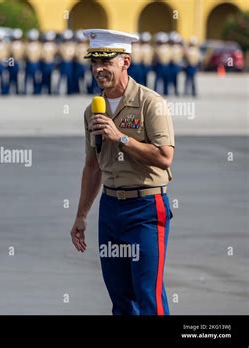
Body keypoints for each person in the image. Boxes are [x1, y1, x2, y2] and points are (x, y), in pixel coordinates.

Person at [70, 29, 175, 315]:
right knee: (120, 299)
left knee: (148, 297)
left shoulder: (150, 103)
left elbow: (165, 157)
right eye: (94, 62)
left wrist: (122, 138)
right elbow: (92, 166)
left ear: (125, 62)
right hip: (111, 208)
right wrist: (81, 215)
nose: (99, 69)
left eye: (107, 62)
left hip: (146, 209)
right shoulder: (93, 110)